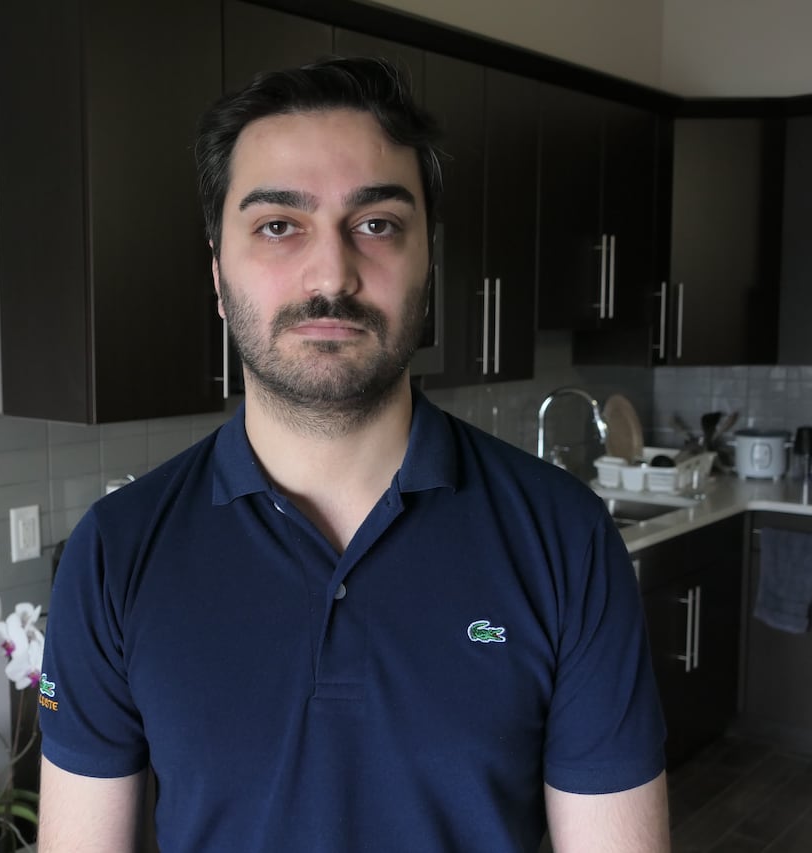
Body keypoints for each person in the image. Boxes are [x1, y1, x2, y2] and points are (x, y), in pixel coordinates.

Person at [36, 57, 669, 852]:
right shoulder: (115, 553)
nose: (331, 272)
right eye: (277, 225)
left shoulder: (565, 541)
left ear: (427, 260)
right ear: (217, 270)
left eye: (376, 223)